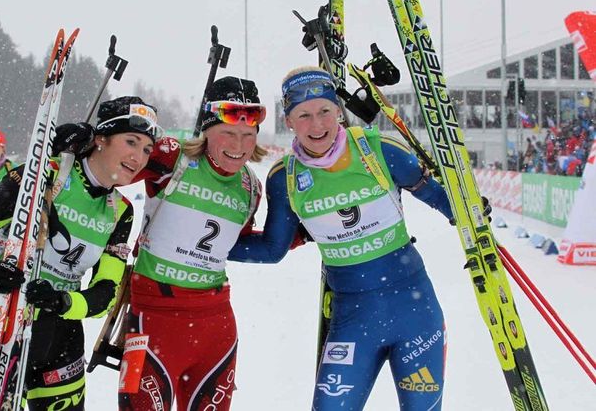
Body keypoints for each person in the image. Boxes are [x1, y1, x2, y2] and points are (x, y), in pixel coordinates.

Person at [228, 67, 454, 411]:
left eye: (324, 111)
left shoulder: (379, 150)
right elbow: (274, 249)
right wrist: (208, 248)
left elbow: (438, 197)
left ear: (338, 111)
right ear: (289, 120)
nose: (316, 125)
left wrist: (467, 213)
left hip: (413, 308)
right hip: (353, 317)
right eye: (303, 115)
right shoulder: (285, 178)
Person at [0, 96, 161, 410]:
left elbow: (105, 295)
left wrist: (62, 301)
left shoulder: (120, 212)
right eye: (131, 141)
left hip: (62, 337)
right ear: (101, 139)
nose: (138, 157)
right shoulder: (42, 176)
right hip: (7, 322)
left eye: (146, 149)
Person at [118, 77, 267, 411]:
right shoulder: (174, 158)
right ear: (206, 130)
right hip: (153, 320)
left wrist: (302, 235)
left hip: (215, 328)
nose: (238, 144)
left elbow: (235, 244)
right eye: (227, 132)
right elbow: (115, 169)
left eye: (247, 135)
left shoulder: (251, 187)